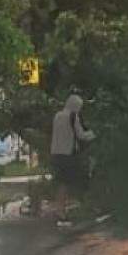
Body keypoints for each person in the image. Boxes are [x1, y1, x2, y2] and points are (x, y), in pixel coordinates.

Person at [50, 94, 95, 226]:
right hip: (68, 154)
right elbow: (80, 135)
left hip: (56, 153)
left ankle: (60, 210)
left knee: (62, 183)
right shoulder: (73, 116)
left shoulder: (57, 115)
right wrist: (93, 133)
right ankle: (65, 212)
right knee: (74, 180)